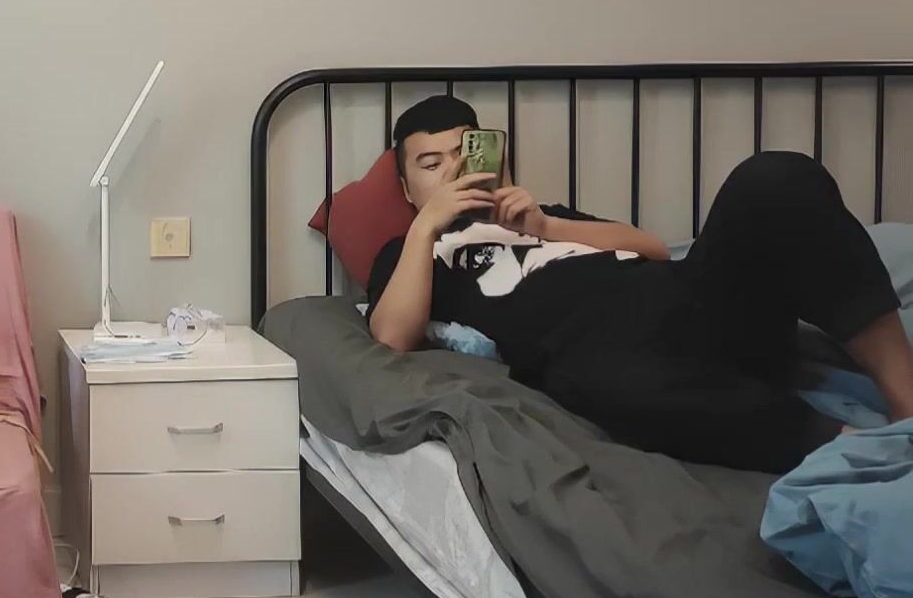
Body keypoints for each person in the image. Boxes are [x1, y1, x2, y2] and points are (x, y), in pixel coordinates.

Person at [369, 94, 913, 474]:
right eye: (430, 165)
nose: (451, 172)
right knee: (584, 379)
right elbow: (392, 336)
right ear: (407, 188)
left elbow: (652, 248)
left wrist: (544, 226)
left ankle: (905, 403)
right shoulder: (415, 250)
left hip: (694, 306)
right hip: (612, 353)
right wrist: (427, 225)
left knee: (776, 176)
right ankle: (849, 445)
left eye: (464, 153)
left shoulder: (543, 214)